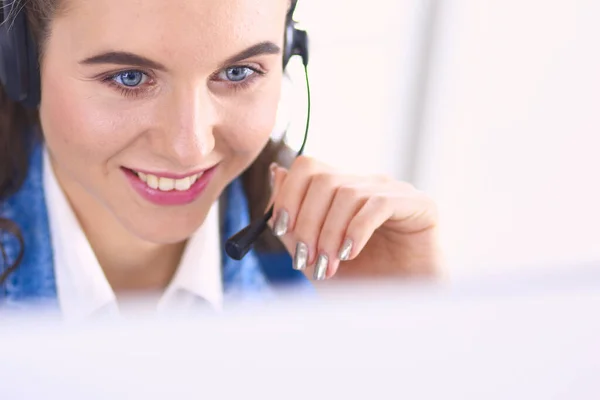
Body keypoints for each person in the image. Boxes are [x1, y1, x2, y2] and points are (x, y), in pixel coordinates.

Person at [0, 0, 441, 318]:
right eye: (129, 78)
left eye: (238, 73)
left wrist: (408, 329)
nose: (188, 147)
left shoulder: (322, 282)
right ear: (22, 66)